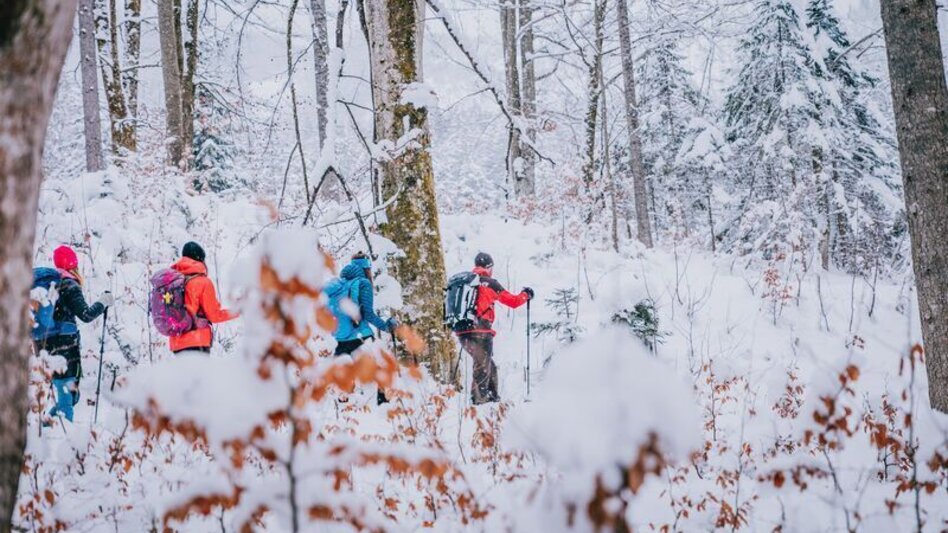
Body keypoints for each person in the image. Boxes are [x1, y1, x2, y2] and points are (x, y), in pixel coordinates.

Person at [35, 245, 112, 422]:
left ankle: (41, 430)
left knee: (67, 398)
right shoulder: (69, 284)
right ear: (73, 265)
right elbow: (86, 314)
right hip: (65, 350)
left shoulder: (49, 286)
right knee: (66, 402)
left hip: (44, 348)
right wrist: (102, 302)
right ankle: (62, 441)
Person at [455, 252, 533, 405]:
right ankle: (479, 402)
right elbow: (513, 302)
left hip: (462, 332)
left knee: (488, 365)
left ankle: (492, 399)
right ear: (489, 267)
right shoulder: (490, 283)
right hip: (481, 331)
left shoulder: (465, 283)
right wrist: (526, 294)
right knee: (482, 366)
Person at [325, 253, 397, 403]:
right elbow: (368, 315)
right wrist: (387, 327)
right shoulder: (363, 283)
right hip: (361, 336)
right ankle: (383, 406)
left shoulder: (338, 286)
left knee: (343, 380)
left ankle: (345, 415)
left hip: (340, 338)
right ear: (366, 268)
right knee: (382, 369)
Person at [167, 241, 238, 354]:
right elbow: (214, 316)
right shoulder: (203, 282)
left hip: (176, 343)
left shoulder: (172, 282)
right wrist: (238, 311)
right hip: (196, 342)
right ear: (200, 259)